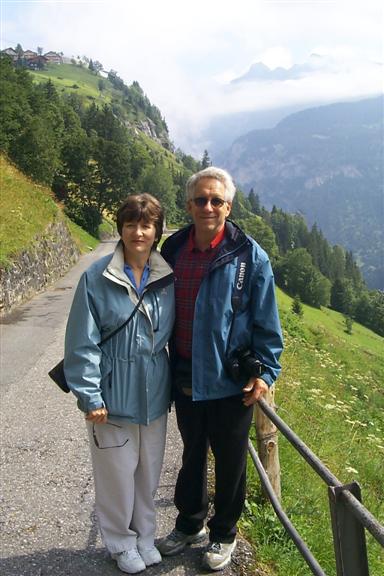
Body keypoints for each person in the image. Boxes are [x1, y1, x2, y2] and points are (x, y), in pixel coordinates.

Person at [158, 167, 283, 571]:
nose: (208, 207)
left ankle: (224, 533)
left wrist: (265, 374)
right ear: (189, 204)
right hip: (184, 375)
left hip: (231, 383)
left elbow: (267, 324)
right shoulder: (172, 250)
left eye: (216, 200)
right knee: (191, 454)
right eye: (201, 199)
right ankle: (190, 523)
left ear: (229, 206)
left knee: (231, 463)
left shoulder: (250, 256)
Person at [64, 194, 175, 574]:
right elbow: (82, 341)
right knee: (116, 477)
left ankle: (145, 536)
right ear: (121, 229)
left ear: (157, 231)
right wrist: (89, 394)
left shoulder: (167, 276)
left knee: (148, 473)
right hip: (111, 397)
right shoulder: (96, 277)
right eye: (131, 224)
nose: (138, 232)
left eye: (146, 225)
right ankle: (120, 542)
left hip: (155, 395)